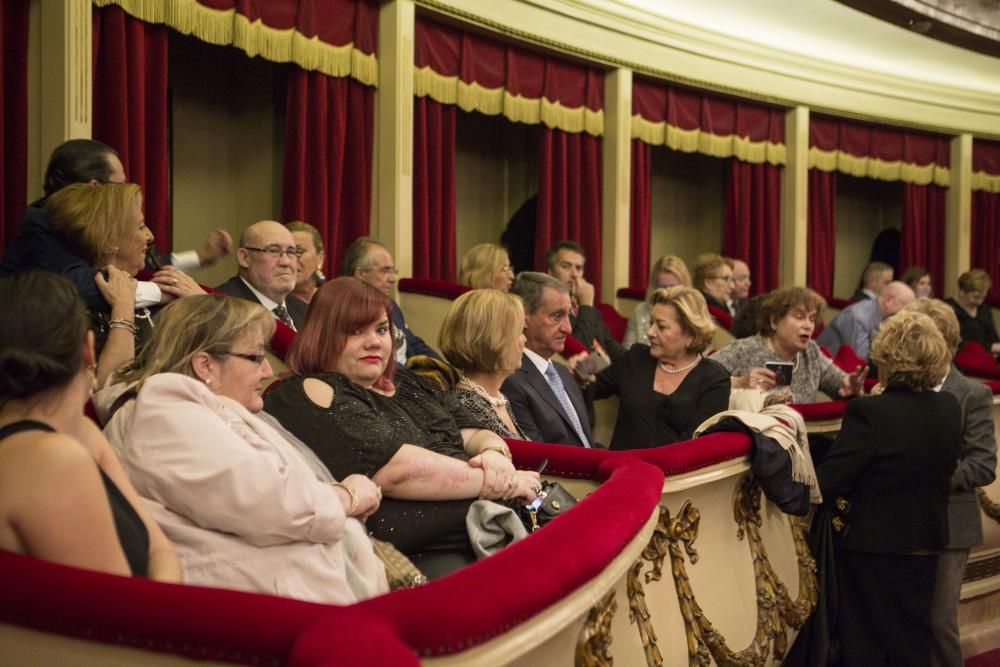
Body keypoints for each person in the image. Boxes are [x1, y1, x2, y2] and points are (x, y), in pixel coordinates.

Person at [100, 294, 387, 603]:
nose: (267, 372)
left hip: (289, 591)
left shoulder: (199, 410)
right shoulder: (163, 409)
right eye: (256, 357)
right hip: (253, 606)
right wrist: (349, 496)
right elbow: (273, 503)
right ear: (205, 365)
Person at [264, 277, 539, 575]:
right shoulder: (306, 391)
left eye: (382, 329)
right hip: (417, 557)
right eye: (356, 331)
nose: (374, 341)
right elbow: (397, 471)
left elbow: (468, 427)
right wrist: (496, 482)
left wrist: (494, 453)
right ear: (323, 334)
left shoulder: (407, 381)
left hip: (489, 525)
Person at [0, 271, 180, 581]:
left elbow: (160, 550)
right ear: (88, 349)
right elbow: (120, 611)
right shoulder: (51, 458)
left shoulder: (81, 431)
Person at [817, 310, 961, 666]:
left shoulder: (870, 412)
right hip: (926, 541)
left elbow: (831, 480)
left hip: (872, 547)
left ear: (887, 357)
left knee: (863, 645)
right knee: (912, 642)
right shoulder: (949, 406)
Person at [0, 139, 230, 312]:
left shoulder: (88, 224)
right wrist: (163, 292)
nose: (124, 192)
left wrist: (199, 258)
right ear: (95, 188)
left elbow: (143, 264)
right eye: (119, 185)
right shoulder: (42, 224)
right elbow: (86, 287)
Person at [905, 299, 997, 666]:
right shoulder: (900, 389)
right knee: (907, 617)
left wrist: (930, 476)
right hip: (903, 520)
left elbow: (983, 464)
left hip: (951, 523)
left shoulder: (972, 394)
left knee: (939, 620)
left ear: (944, 342)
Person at [44, 182, 205, 387]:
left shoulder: (167, 297)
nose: (151, 236)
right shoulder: (78, 315)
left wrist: (203, 303)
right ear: (112, 241)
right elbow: (110, 391)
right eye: (140, 226)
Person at [589, 287, 730, 450]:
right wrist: (583, 367)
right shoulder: (636, 357)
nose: (649, 332)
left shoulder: (715, 380)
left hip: (677, 473)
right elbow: (590, 386)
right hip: (622, 468)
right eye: (651, 323)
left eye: (661, 327)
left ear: (690, 335)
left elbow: (696, 447)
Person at [712, 287, 867, 404]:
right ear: (774, 321)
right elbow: (698, 377)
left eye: (812, 319)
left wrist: (851, 386)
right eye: (799, 317)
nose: (808, 326)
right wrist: (739, 383)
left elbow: (839, 384)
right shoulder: (745, 348)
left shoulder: (811, 351)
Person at [501, 272, 594, 447]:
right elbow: (538, 457)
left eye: (569, 316)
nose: (568, 329)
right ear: (523, 317)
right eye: (557, 316)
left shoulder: (563, 373)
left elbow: (584, 442)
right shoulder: (509, 379)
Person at [438, 289, 527, 439]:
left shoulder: (497, 397)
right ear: (494, 340)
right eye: (519, 332)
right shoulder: (465, 405)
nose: (524, 340)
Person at [340, 237, 440, 362]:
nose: (392, 279)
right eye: (385, 271)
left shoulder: (390, 304)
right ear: (361, 274)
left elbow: (413, 343)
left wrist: (447, 371)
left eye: (393, 271)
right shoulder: (344, 310)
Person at [216, 220, 307, 331]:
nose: (286, 262)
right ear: (244, 258)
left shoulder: (306, 311)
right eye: (274, 251)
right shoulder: (222, 308)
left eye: (291, 252)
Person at [546, 240, 625, 362]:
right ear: (551, 272)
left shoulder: (580, 305)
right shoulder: (549, 308)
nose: (574, 274)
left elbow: (610, 346)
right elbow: (578, 353)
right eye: (566, 266)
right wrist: (586, 305)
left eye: (578, 268)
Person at [817, 280, 915, 359]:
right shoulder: (858, 316)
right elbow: (859, 360)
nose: (908, 312)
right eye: (906, 306)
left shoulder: (884, 316)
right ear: (889, 300)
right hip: (826, 372)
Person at [623, 254, 691, 349]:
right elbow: (627, 350)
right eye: (663, 287)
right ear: (654, 287)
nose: (668, 292)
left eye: (673, 287)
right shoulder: (640, 311)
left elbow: (698, 355)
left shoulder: (693, 315)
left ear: (684, 288)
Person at [946, 269, 1000, 357]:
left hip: (987, 358)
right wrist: (990, 347)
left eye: (983, 297)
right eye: (975, 297)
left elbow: (993, 337)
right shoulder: (948, 308)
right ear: (962, 291)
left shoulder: (984, 308)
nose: (979, 302)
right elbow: (955, 343)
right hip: (962, 360)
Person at [286, 221, 325, 305]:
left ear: (320, 258)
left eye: (299, 251)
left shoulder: (333, 301)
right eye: (288, 252)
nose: (289, 260)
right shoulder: (272, 304)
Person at [692, 253, 734, 318]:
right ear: (708, 283)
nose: (732, 286)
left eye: (732, 280)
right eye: (726, 279)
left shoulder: (725, 309)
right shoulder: (706, 312)